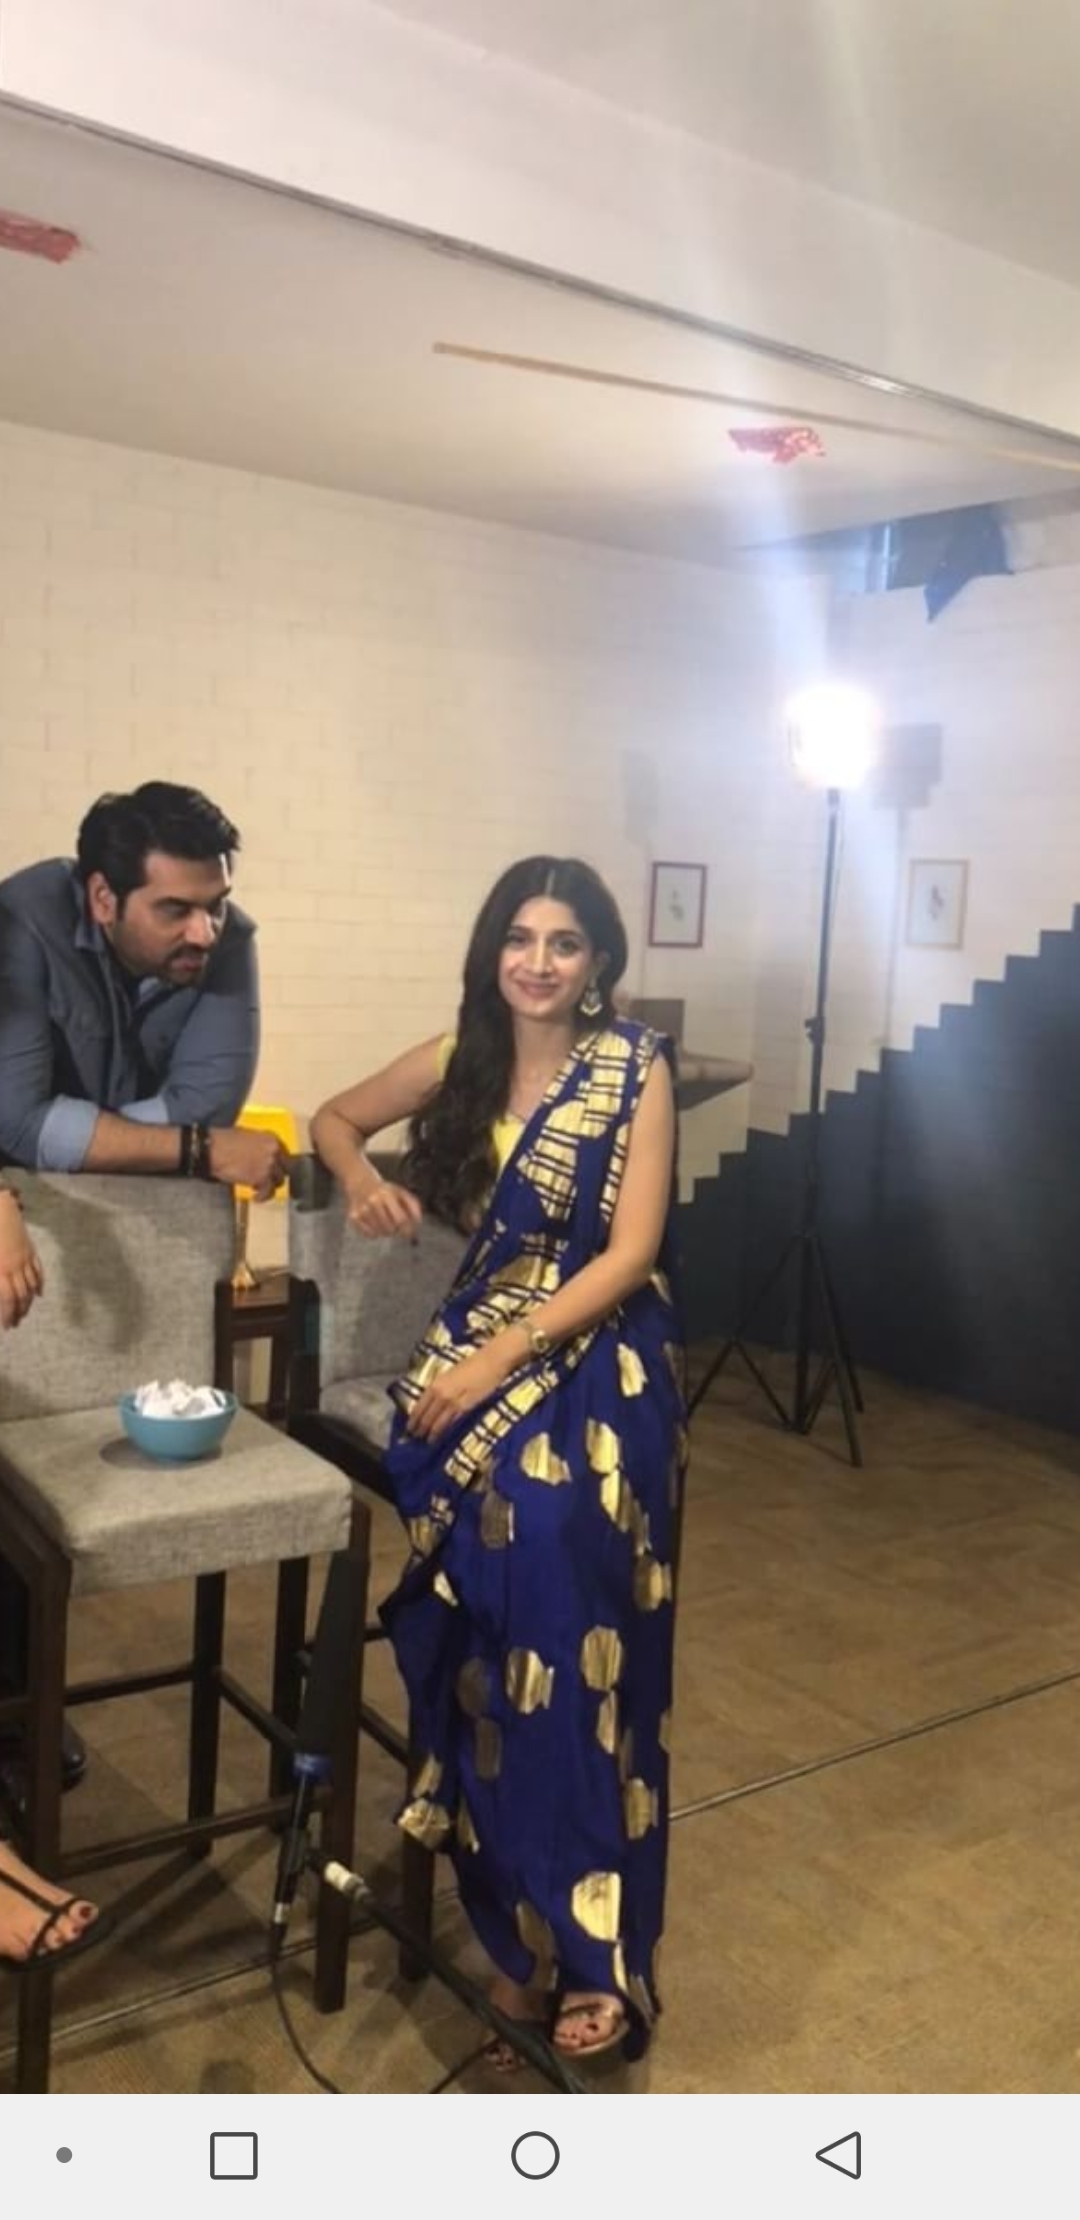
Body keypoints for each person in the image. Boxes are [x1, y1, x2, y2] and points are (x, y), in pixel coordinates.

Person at [312, 857, 686, 2068]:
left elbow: (629, 1255)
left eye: (564, 943)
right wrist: (363, 1181)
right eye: (519, 938)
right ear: (491, 952)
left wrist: (497, 1362)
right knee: (496, 1616)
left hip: (600, 1358)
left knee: (568, 1591)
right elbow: (331, 1120)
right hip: (474, 1356)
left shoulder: (633, 1068)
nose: (538, 962)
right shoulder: (458, 1057)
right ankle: (522, 1930)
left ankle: (589, 1946)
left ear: (599, 962)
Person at [0, 781, 287, 1790]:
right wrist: (184, 1147)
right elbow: (20, 1121)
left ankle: (21, 1720)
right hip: (18, 1228)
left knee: (54, 1479)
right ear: (101, 897)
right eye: (175, 910)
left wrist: (72, 1136)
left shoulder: (227, 939)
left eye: (214, 905)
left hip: (116, 1239)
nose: (205, 930)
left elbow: (207, 1098)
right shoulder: (21, 919)